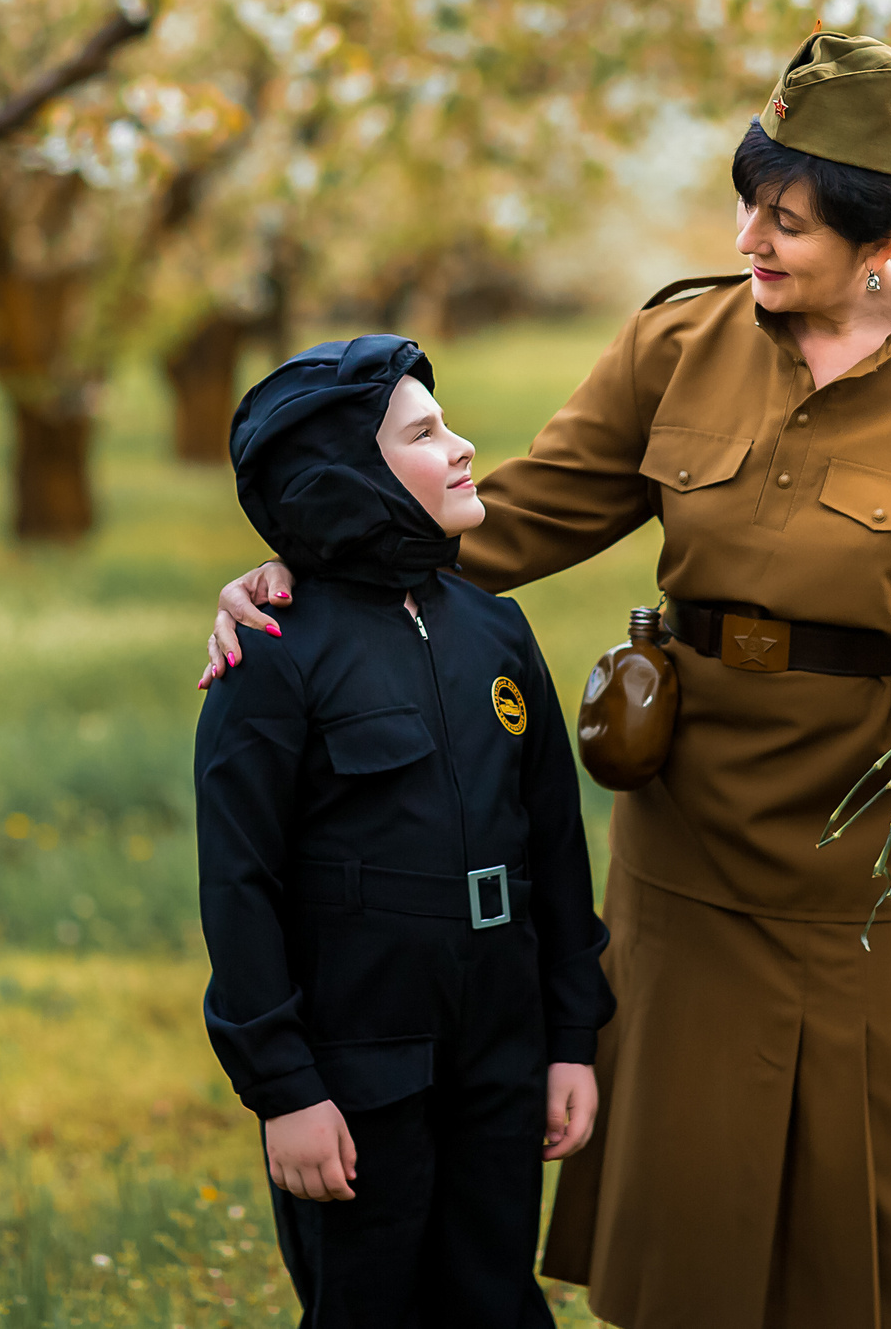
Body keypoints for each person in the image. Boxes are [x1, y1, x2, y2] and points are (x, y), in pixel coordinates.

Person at [203, 34, 891, 1328]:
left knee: (866, 1141)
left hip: (872, 823)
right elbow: (513, 515)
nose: (751, 236)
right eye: (748, 202)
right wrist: (299, 568)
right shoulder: (680, 338)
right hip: (689, 814)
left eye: (788, 220)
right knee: (687, 1155)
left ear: (882, 237)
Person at [194, 333, 615, 1328]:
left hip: (502, 1063)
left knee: (494, 1299)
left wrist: (568, 1040)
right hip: (358, 1081)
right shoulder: (274, 660)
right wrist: (285, 1089)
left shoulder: (495, 631)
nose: (464, 445)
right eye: (425, 432)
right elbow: (238, 890)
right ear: (351, 477)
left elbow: (554, 851)